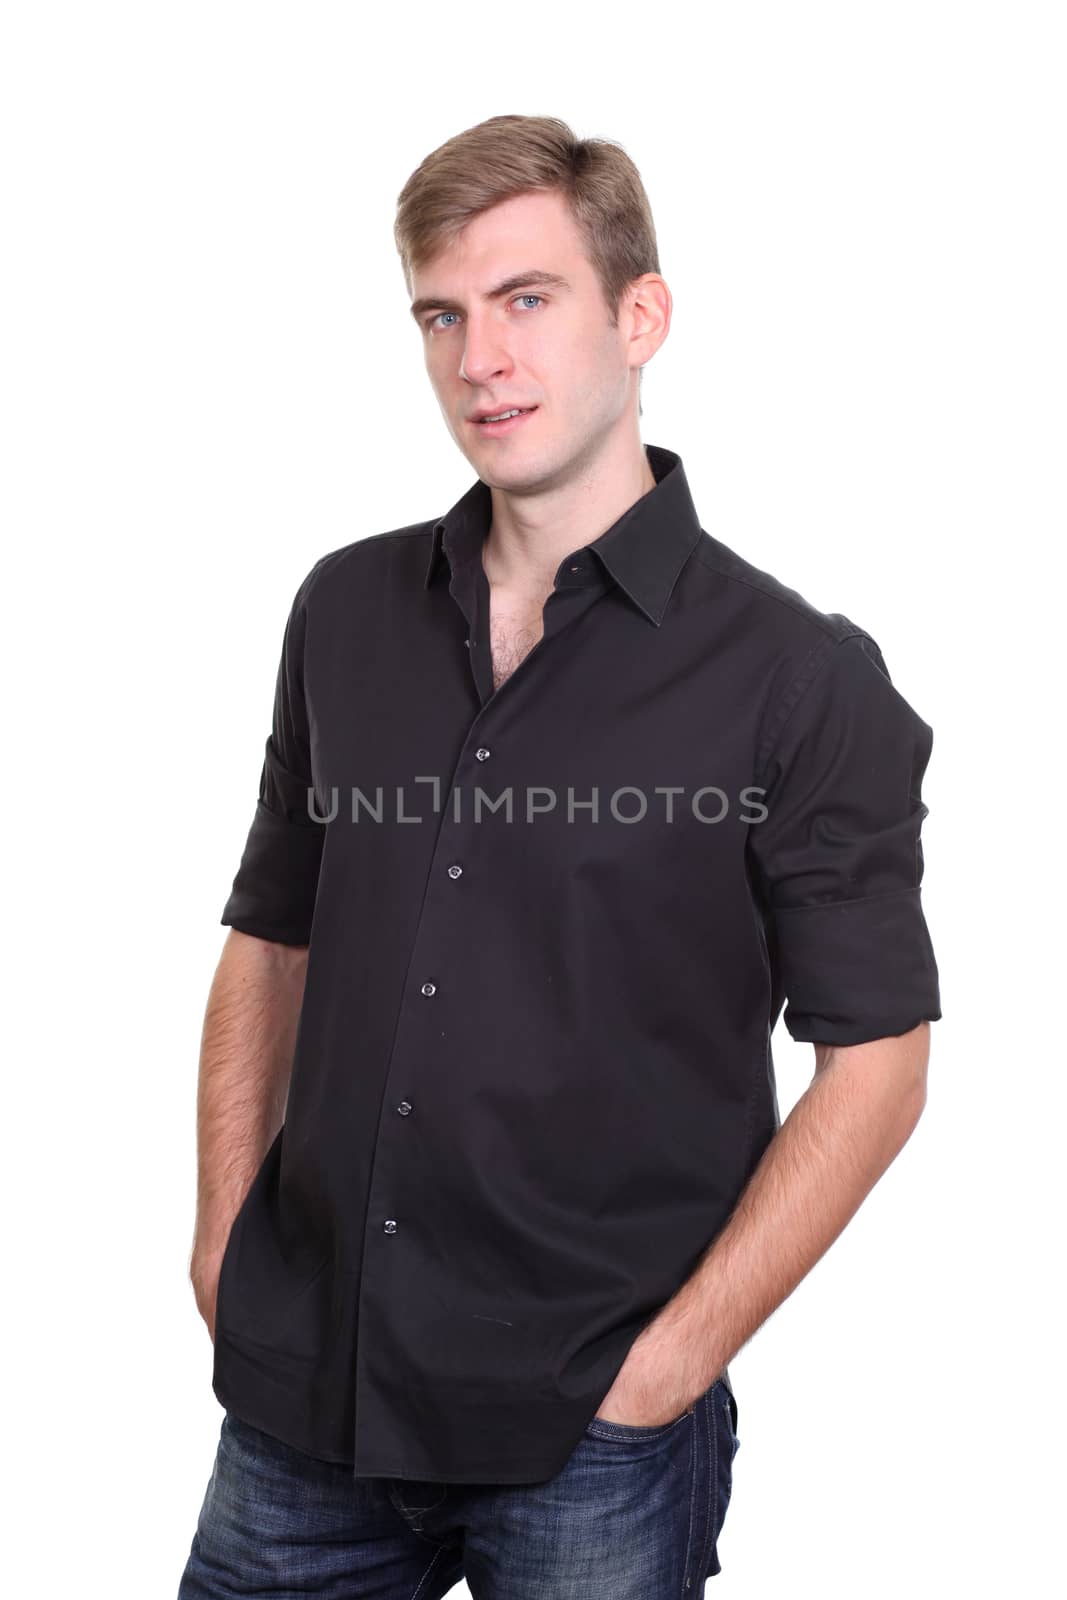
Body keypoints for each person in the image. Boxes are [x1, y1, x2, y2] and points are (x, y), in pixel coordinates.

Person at [179, 114, 941, 1598]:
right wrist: (222, 1242)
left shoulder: (800, 679)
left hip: (591, 1433)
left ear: (638, 316)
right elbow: (274, 934)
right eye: (443, 315)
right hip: (303, 1400)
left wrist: (670, 1364)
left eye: (527, 301)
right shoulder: (343, 612)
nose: (480, 360)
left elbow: (881, 1061)